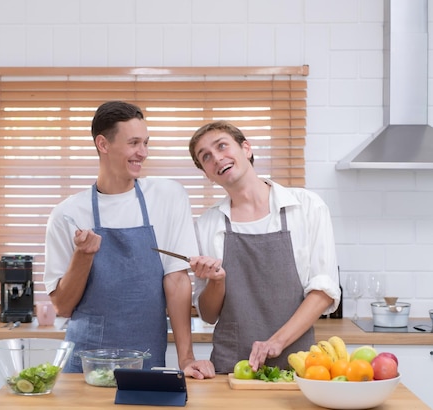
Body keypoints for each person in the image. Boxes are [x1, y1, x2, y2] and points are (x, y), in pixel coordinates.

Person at [44, 101, 215, 379]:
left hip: (144, 356)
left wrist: (186, 358)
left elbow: (177, 279)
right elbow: (62, 306)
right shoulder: (68, 214)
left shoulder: (169, 196)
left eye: (146, 143)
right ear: (103, 144)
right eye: (134, 143)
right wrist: (83, 256)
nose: (143, 153)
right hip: (84, 364)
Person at [187, 120, 341, 374]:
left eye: (222, 146)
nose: (216, 158)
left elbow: (324, 291)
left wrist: (275, 342)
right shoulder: (207, 225)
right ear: (207, 174)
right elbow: (208, 314)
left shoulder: (307, 207)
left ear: (246, 149)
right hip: (233, 367)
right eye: (206, 157)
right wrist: (216, 281)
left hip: (301, 364)